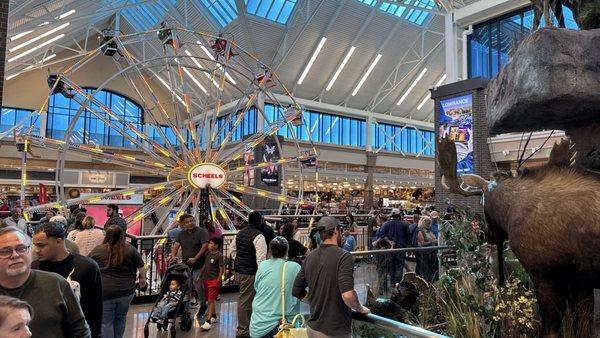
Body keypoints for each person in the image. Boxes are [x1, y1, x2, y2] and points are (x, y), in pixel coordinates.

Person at [0, 226, 91, 338]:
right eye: (5, 251)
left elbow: (80, 330)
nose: (15, 255)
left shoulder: (56, 283)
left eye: (21, 248)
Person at [293, 217, 370, 338]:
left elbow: (296, 290)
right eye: (341, 230)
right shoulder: (344, 257)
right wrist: (360, 308)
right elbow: (347, 295)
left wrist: (314, 301)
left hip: (312, 328)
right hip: (334, 331)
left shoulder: (310, 256)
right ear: (335, 231)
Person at [31, 222, 103, 338]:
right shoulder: (34, 268)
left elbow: (95, 309)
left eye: (41, 245)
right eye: (35, 245)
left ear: (58, 242)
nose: (36, 250)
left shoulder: (87, 267)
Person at [89, 225, 146, 338]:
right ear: (122, 235)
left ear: (107, 235)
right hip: (126, 291)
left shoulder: (98, 249)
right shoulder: (130, 249)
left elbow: (88, 265)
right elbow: (142, 267)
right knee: (121, 317)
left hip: (105, 291)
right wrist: (142, 279)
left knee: (106, 322)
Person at [250, 237, 302, 338]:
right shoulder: (295, 267)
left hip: (257, 325)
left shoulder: (263, 266)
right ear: (287, 251)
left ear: (270, 251)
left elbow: (257, 287)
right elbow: (303, 293)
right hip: (281, 328)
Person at [231, 211, 267, 338]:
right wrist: (261, 274)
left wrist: (239, 260)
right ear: (260, 221)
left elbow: (231, 250)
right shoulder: (259, 236)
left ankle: (245, 326)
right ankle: (243, 330)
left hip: (239, 271)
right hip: (250, 273)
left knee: (244, 298)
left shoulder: (240, 233)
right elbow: (261, 259)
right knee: (245, 301)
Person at [167, 213, 209, 316]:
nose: (190, 223)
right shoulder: (181, 234)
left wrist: (195, 258)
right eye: (187, 222)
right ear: (183, 224)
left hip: (199, 265)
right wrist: (173, 255)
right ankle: (185, 307)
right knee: (186, 286)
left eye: (192, 221)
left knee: (198, 286)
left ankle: (203, 305)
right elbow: (176, 245)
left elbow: (205, 246)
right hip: (186, 265)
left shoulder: (201, 232)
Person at [375, 208, 411, 285]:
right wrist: (408, 248)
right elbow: (408, 237)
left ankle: (392, 282)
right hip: (401, 248)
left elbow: (382, 235)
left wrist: (389, 241)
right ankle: (397, 284)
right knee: (399, 266)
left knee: (391, 265)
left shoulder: (387, 224)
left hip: (390, 248)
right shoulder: (405, 224)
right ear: (399, 215)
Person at [199, 237, 224, 331]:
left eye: (211, 243)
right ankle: (214, 316)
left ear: (216, 246)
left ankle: (208, 321)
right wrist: (200, 275)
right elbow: (205, 265)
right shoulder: (207, 254)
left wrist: (218, 280)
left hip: (213, 281)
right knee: (210, 300)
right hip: (206, 280)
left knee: (210, 301)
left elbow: (221, 269)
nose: (209, 245)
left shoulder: (219, 256)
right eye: (209, 243)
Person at [415, 216, 438, 282]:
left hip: (431, 252)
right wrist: (432, 242)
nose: (429, 225)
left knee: (430, 268)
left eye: (429, 223)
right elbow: (422, 243)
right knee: (425, 268)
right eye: (427, 223)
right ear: (423, 223)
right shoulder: (420, 231)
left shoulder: (428, 230)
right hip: (424, 253)